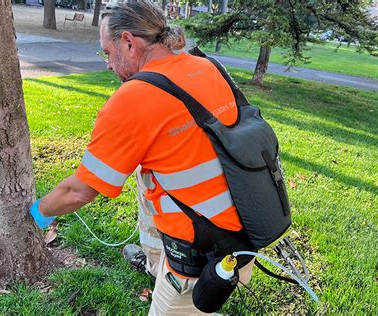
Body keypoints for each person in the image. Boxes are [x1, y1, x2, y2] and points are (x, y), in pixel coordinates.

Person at [29, 1, 254, 314]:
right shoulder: (207, 67)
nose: (108, 64)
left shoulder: (132, 100)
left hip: (198, 262)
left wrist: (37, 214)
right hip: (246, 236)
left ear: (128, 42)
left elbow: (80, 190)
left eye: (107, 52)